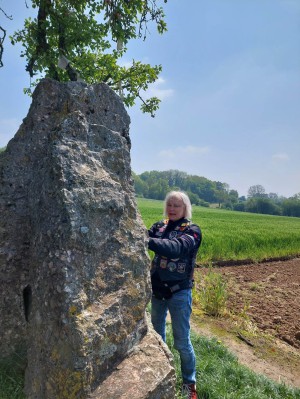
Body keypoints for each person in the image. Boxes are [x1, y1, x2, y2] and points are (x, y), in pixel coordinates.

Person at [148, 191, 202, 399]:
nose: (171, 208)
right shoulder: (158, 227)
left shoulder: (192, 231)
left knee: (182, 342)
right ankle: (160, 374)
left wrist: (146, 240)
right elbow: (144, 235)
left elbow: (175, 249)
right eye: (169, 204)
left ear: (185, 208)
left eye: (176, 206)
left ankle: (189, 384)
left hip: (179, 292)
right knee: (157, 336)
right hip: (157, 290)